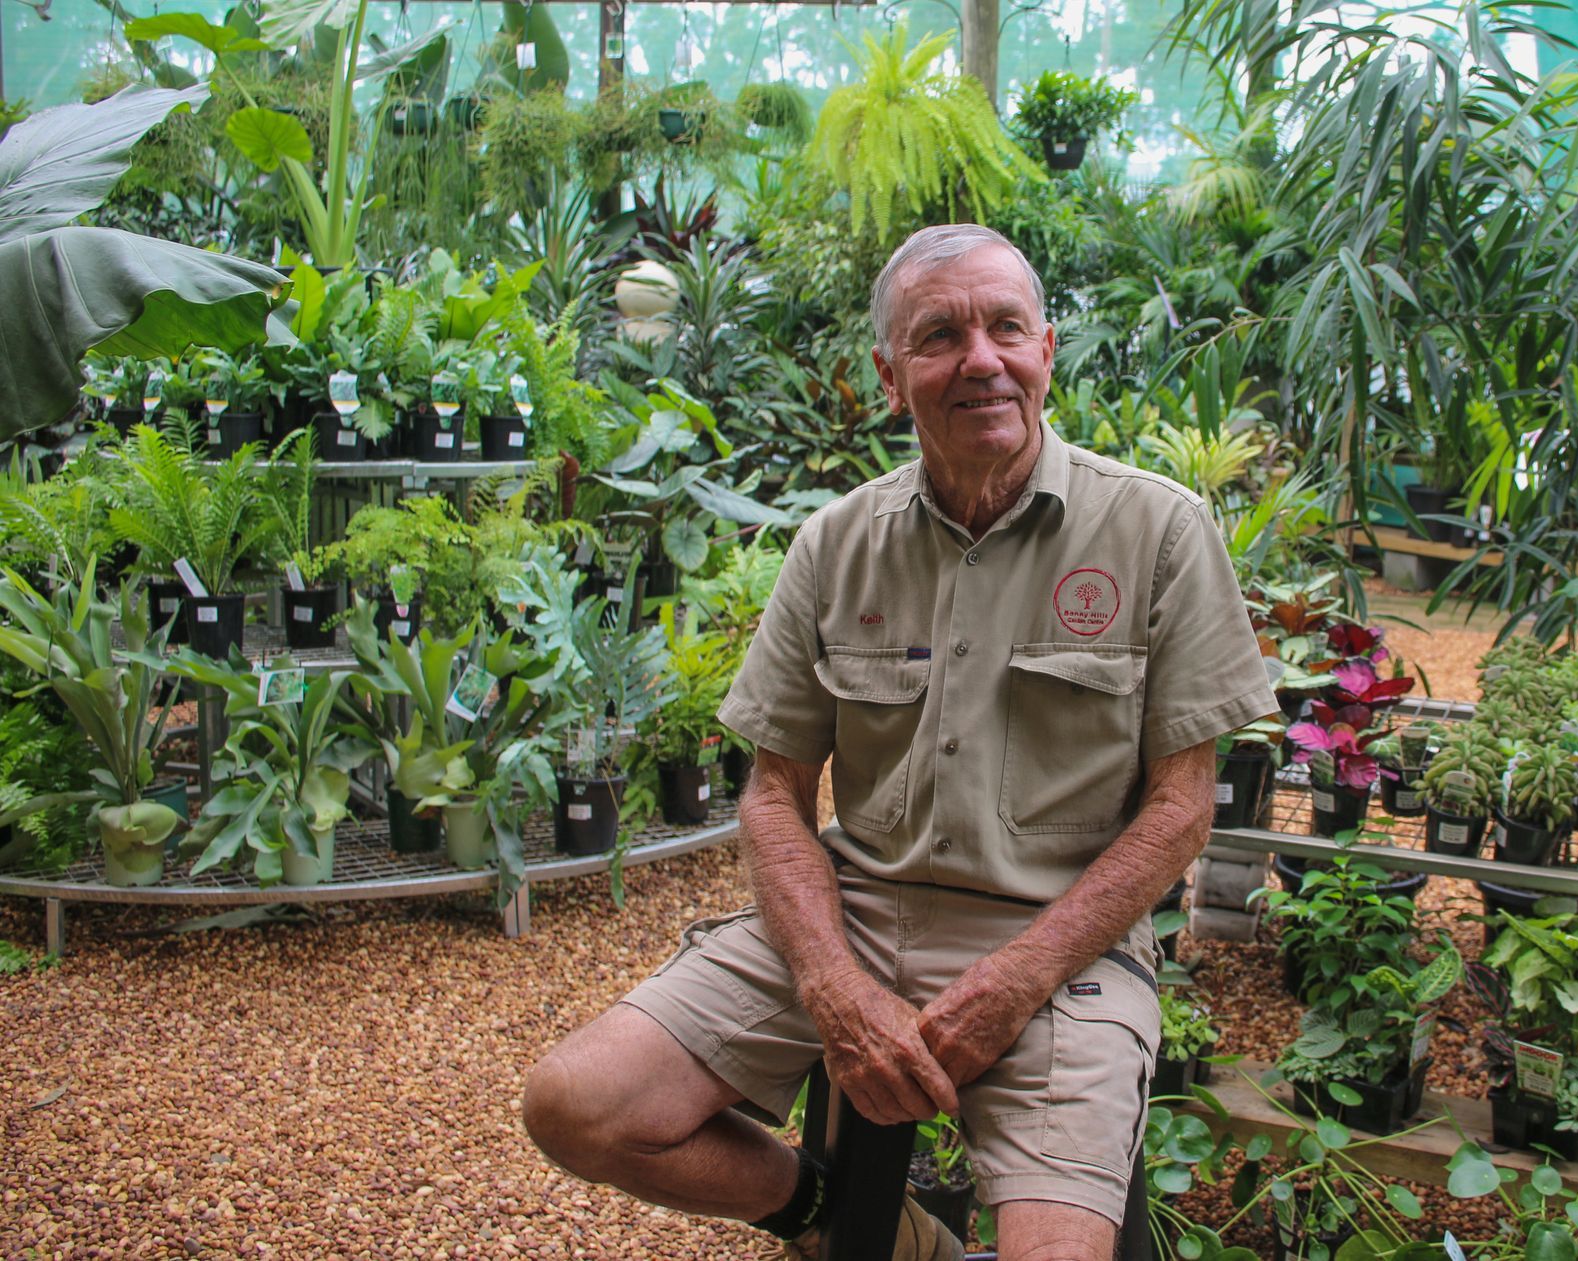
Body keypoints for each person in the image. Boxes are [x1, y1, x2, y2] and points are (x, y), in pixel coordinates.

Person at [521, 225, 1274, 1261]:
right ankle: (851, 1223)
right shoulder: (837, 543)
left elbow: (1184, 806)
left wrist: (1013, 982)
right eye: (939, 335)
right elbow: (775, 793)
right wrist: (833, 983)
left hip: (1061, 949)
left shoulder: (1157, 532)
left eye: (1006, 326)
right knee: (576, 1104)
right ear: (889, 375)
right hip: (857, 916)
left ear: (1046, 347)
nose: (981, 358)